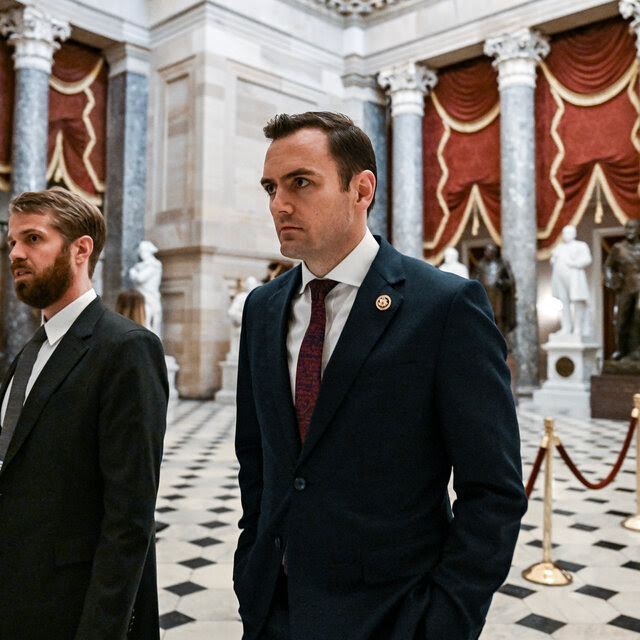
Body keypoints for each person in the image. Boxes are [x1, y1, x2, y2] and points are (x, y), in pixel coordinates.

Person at [234, 112, 527, 640]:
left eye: (301, 182)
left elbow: (494, 490)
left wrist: (443, 621)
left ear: (361, 188)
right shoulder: (263, 307)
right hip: (273, 610)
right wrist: (250, 567)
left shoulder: (444, 306)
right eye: (271, 187)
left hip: (392, 614)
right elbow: (257, 458)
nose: (279, 203)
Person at [0, 187, 168, 640]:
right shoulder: (31, 351)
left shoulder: (126, 348)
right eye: (12, 242)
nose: (15, 253)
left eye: (33, 239)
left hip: (72, 610)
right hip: (18, 598)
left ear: (81, 249)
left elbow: (130, 518)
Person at [604, 219, 640, 360]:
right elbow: (608, 267)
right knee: (621, 319)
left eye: (632, 228)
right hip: (626, 286)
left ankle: (636, 351)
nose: (629, 231)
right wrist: (613, 281)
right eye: (627, 228)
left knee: (638, 314)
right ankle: (621, 350)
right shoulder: (618, 248)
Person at [550, 225, 592, 337]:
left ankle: (578, 328)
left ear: (574, 234)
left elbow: (587, 259)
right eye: (564, 233)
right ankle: (566, 328)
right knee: (564, 304)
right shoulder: (559, 247)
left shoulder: (581, 246)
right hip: (560, 279)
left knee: (577, 302)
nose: (566, 235)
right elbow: (553, 260)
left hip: (575, 278)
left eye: (569, 233)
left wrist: (574, 263)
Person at [475, 242, 516, 340]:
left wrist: (502, 283)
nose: (486, 253)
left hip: (498, 295)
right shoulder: (481, 265)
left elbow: (511, 280)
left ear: (494, 252)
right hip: (484, 296)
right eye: (486, 251)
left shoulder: (502, 264)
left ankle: (500, 340)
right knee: (485, 318)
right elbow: (476, 278)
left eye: (489, 251)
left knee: (498, 318)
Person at [129, 240, 163, 338]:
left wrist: (133, 272)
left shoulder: (154, 265)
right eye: (140, 252)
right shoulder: (141, 266)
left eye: (143, 251)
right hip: (142, 296)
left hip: (150, 296)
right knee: (143, 319)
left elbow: (140, 278)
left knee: (151, 321)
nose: (141, 254)